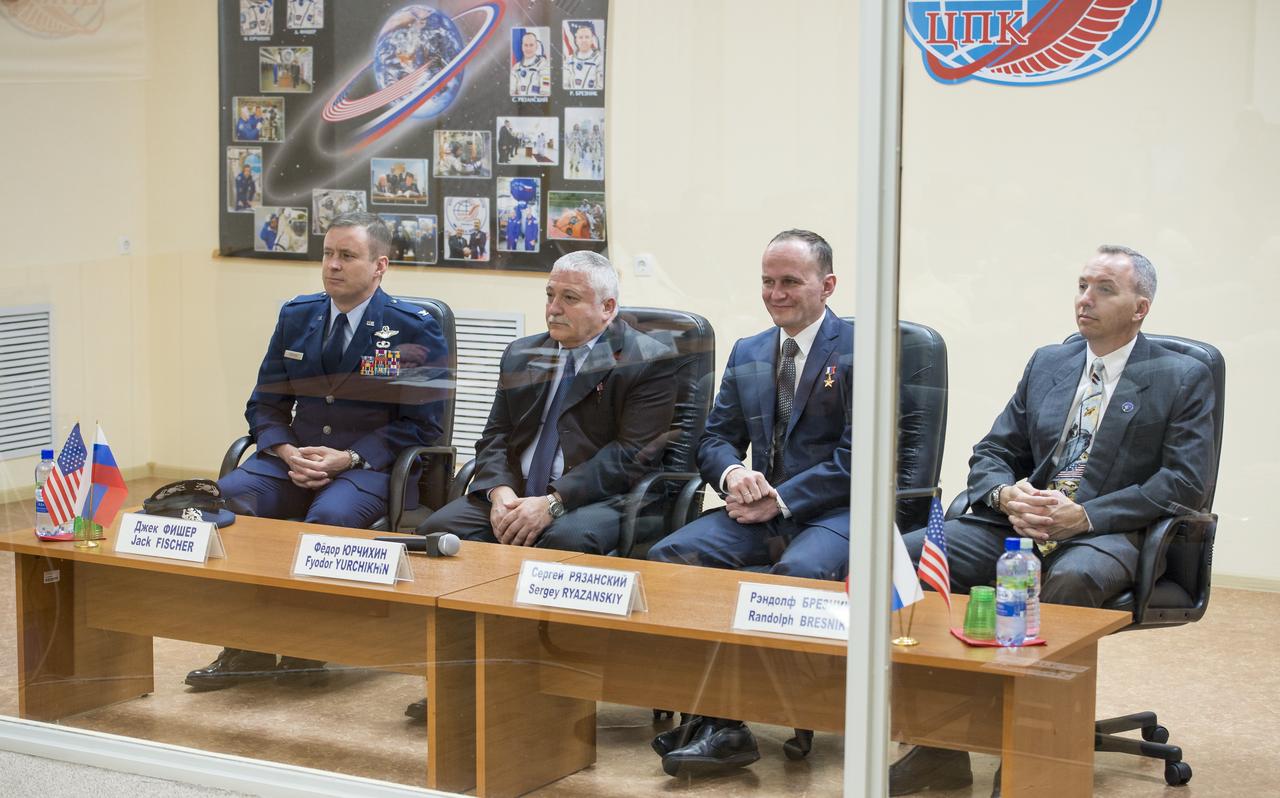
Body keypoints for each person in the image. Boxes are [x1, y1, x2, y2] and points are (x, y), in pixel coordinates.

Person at [891, 245, 1216, 795]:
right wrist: (1003, 494)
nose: (1085, 299)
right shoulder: (1050, 362)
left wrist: (1085, 515)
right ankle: (937, 746)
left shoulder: (1182, 376)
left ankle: (1031, 757)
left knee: (1067, 582)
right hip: (1021, 521)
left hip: (1110, 532)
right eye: (1082, 285)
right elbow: (993, 449)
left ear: (1140, 308)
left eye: (1104, 289)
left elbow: (1183, 483)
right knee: (913, 554)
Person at [404, 251, 676, 721]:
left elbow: (631, 457)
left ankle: (549, 690)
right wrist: (498, 492)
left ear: (608, 308)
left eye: (570, 298)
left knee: (564, 541)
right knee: (441, 532)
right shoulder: (522, 353)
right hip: (516, 492)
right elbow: (495, 436)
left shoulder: (647, 362)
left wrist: (552, 503)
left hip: (597, 498)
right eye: (550, 295)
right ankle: (458, 678)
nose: (553, 308)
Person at [185, 212, 449, 692]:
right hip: (292, 459)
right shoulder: (297, 316)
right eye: (328, 253)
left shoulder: (413, 327)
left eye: (347, 256)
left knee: (328, 522)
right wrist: (286, 451)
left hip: (371, 469)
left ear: (379, 266)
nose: (332, 265)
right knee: (222, 501)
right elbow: (264, 404)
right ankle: (245, 646)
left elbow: (422, 425)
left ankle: (309, 646)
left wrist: (347, 458)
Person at [647, 229, 853, 777]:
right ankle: (714, 720)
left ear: (827, 285)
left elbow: (862, 460)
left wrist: (781, 499)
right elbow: (713, 441)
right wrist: (736, 474)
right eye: (767, 281)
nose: (776, 293)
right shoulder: (750, 351)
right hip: (757, 509)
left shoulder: (865, 350)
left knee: (791, 576)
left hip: (835, 513)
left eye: (790, 281)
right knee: (670, 557)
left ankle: (736, 718)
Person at [563, 21, 604, 90]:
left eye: (587, 37)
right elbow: (565, 84)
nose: (584, 40)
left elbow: (601, 86)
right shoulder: (569, 60)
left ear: (592, 40)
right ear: (576, 40)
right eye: (581, 37)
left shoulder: (600, 60)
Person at [510, 29, 550, 97]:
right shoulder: (515, 68)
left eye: (531, 45)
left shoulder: (544, 66)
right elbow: (511, 93)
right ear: (522, 47)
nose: (528, 48)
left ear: (536, 46)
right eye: (526, 45)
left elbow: (545, 93)